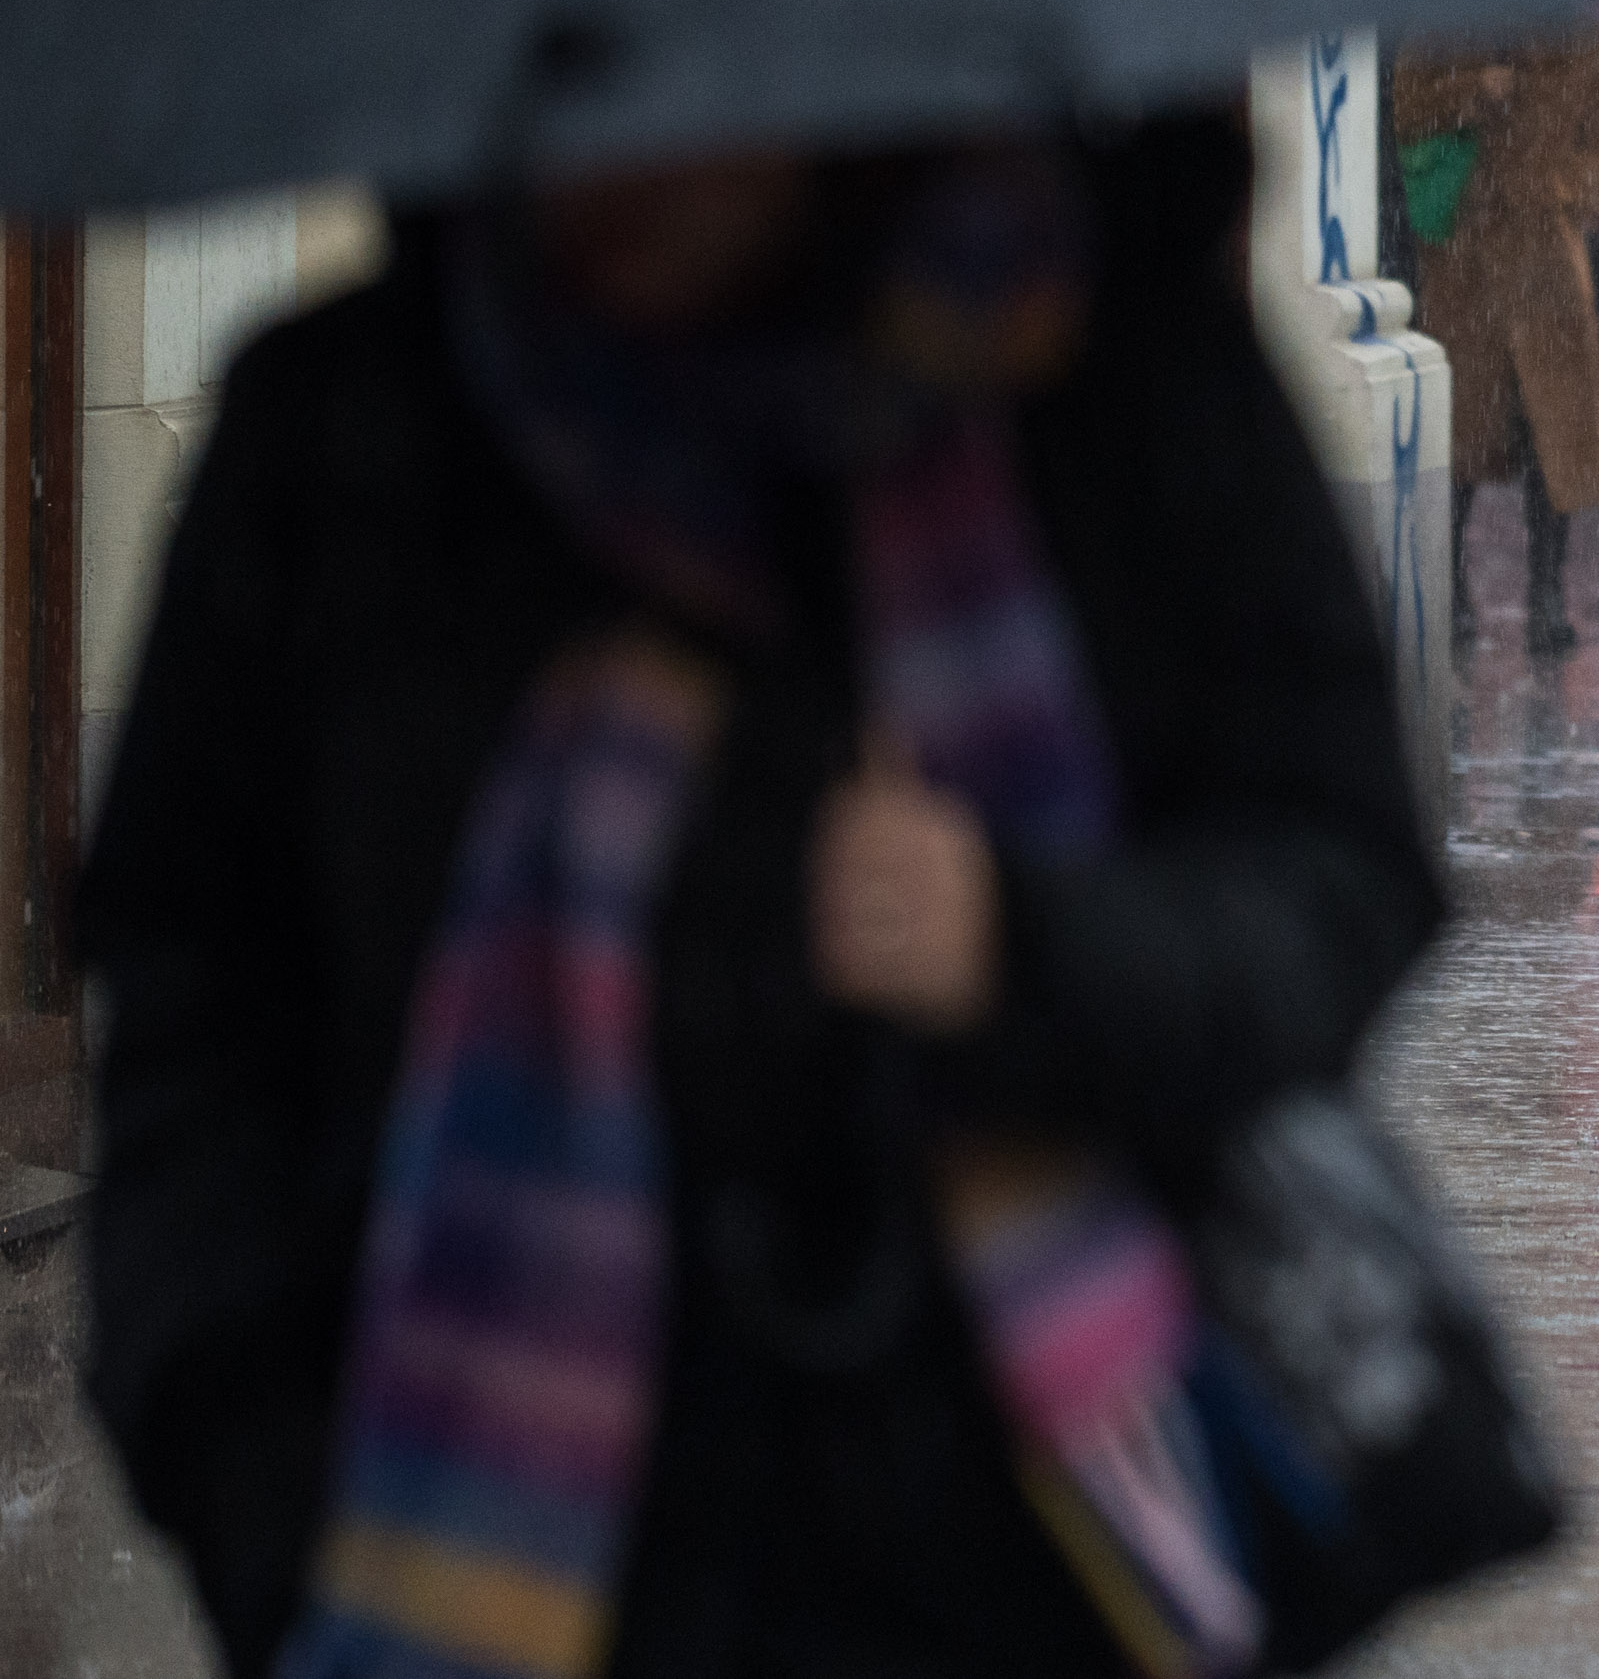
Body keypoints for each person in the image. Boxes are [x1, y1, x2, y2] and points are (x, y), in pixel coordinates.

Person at [80, 113, 1446, 1679]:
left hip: (1034, 1574)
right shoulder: (354, 435)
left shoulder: (1105, 382)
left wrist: (1029, 943)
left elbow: (1338, 868)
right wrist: (264, 1495)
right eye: (581, 75)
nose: (636, 147)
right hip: (478, 1573)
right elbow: (193, 1007)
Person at [1396, 25, 1599, 653]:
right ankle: (1451, 590)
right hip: (1463, 260)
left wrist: (1562, 194)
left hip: (1544, 260)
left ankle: (1546, 596)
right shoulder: (1443, 24)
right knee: (1461, 429)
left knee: (1549, 431)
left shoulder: (1577, 36)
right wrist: (1473, 90)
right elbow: (1404, 114)